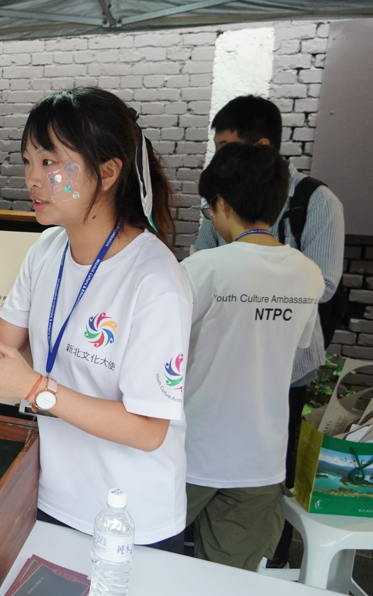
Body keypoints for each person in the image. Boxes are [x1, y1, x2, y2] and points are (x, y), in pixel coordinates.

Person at [0, 88, 192, 551]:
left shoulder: (155, 281)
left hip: (129, 520)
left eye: (51, 163)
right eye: (28, 162)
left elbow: (149, 429)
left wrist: (34, 389)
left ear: (108, 172)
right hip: (50, 495)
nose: (33, 180)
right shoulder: (48, 250)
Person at [194, 95, 345, 566]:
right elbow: (302, 354)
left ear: (219, 204)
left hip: (192, 448)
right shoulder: (303, 274)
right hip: (260, 454)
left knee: (157, 560)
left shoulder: (199, 271)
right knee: (232, 575)